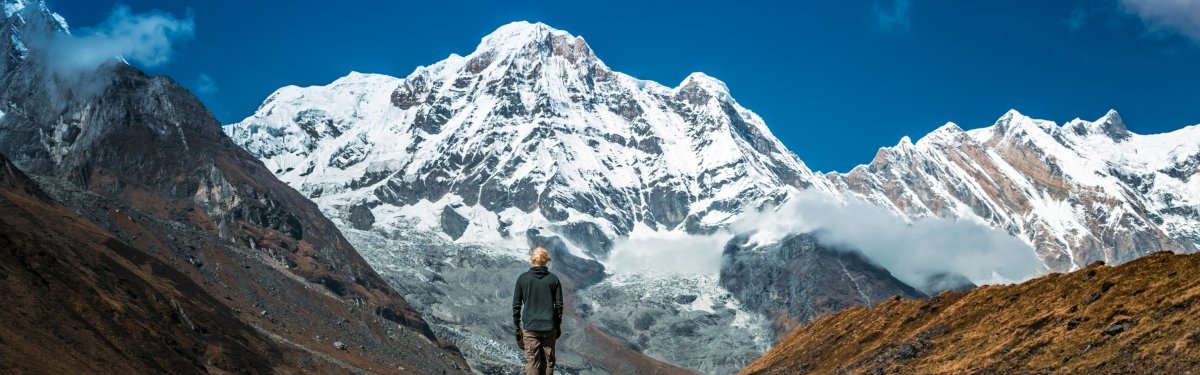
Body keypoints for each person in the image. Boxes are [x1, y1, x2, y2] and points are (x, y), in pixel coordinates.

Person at [512, 247, 563, 375]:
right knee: (548, 361)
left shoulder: (522, 279)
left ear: (532, 260)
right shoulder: (554, 279)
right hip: (549, 327)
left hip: (530, 327)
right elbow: (559, 306)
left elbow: (516, 305)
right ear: (546, 261)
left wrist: (517, 327)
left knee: (532, 362)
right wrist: (557, 325)